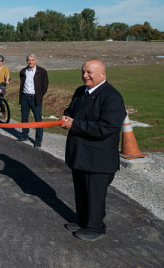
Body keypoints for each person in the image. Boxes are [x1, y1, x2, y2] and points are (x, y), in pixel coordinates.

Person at [60, 59, 126, 241]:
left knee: (94, 194)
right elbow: (72, 110)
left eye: (89, 72)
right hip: (80, 155)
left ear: (102, 74)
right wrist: (66, 117)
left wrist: (75, 125)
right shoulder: (81, 92)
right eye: (83, 71)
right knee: (81, 191)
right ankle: (82, 220)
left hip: (98, 158)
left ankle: (96, 227)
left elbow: (107, 128)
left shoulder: (112, 97)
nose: (84, 76)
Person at [18, 53, 49, 147]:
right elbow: (22, 84)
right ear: (26, 61)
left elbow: (45, 86)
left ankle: (38, 140)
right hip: (25, 97)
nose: (30, 62)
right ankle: (24, 135)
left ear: (36, 60)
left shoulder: (42, 71)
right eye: (28, 60)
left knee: (38, 120)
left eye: (32, 60)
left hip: (35, 98)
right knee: (24, 118)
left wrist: (39, 95)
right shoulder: (23, 71)